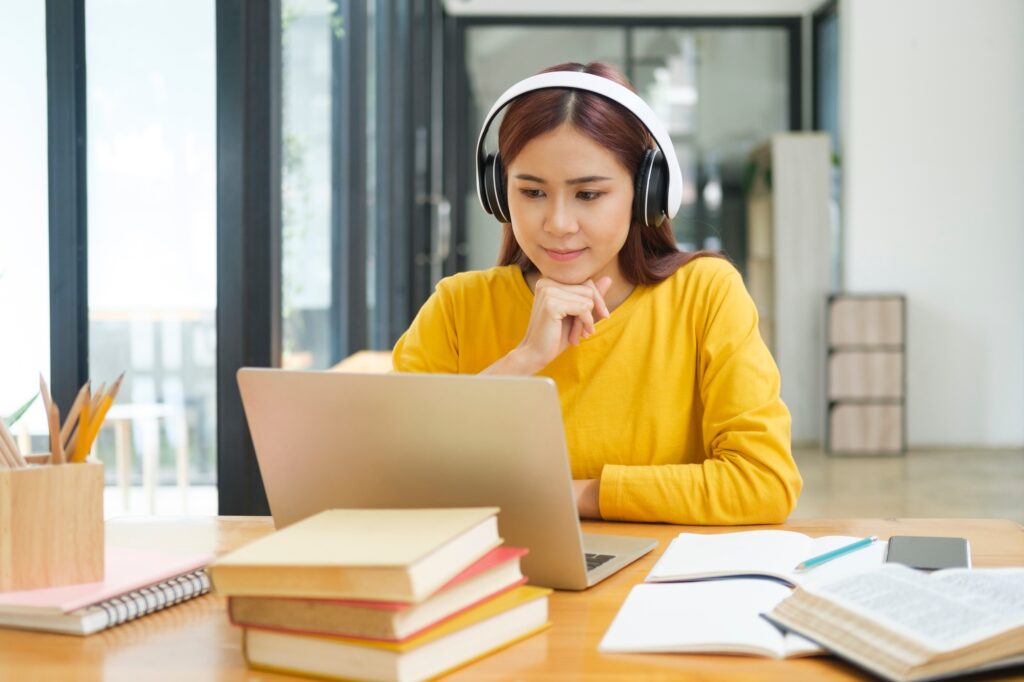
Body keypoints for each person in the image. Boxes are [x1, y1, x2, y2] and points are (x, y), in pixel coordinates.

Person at [393, 62, 802, 525]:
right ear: (498, 192)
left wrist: (577, 495)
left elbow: (763, 481)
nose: (558, 223)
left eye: (588, 195)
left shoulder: (705, 295)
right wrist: (523, 360)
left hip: (660, 584)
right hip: (500, 581)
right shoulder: (458, 307)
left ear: (646, 192)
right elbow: (392, 475)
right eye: (531, 192)